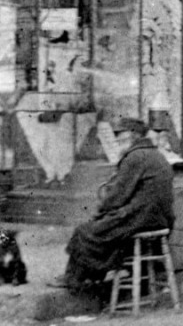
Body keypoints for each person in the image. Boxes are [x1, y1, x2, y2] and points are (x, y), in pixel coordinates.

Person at [50, 118, 174, 296]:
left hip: (139, 220)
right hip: (160, 221)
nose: (118, 144)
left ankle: (75, 278)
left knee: (85, 231)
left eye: (121, 140)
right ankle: (92, 277)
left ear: (133, 138)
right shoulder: (157, 156)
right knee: (100, 229)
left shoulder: (135, 157)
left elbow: (115, 198)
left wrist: (101, 212)